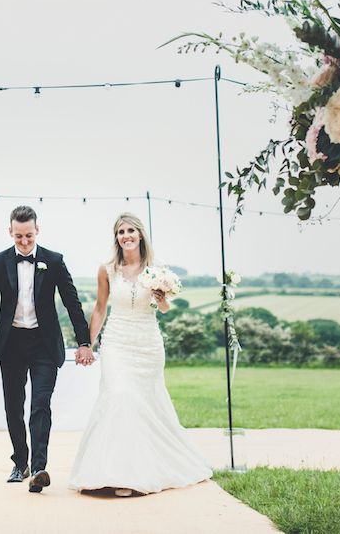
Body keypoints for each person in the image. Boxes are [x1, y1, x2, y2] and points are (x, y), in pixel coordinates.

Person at [68, 212, 212, 496]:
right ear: (116, 238)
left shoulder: (156, 269)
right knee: (119, 396)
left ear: (141, 235)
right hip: (117, 342)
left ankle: (134, 475)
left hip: (148, 345)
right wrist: (87, 343)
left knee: (144, 406)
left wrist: (161, 299)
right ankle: (107, 472)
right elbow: (99, 309)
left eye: (131, 230)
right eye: (121, 232)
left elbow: (166, 308)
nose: (127, 236)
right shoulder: (107, 270)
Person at [0, 205, 94, 493]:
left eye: (29, 235)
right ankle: (21, 462)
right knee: (13, 406)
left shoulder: (53, 261)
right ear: (10, 232)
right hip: (11, 343)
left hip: (44, 344)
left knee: (40, 405)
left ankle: (39, 468)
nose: (25, 242)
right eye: (19, 237)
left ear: (37, 230)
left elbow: (72, 302)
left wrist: (84, 342)